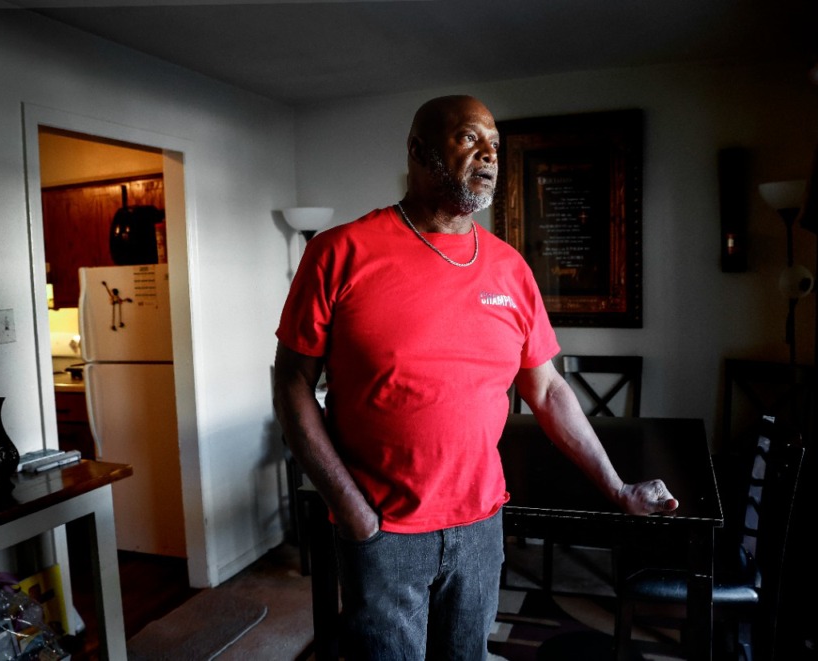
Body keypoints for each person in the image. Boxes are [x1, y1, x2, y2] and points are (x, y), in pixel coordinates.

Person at [273, 94, 678, 660]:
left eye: (494, 143)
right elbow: (291, 383)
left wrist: (616, 487)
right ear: (418, 150)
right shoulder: (339, 252)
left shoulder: (511, 268)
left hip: (482, 528)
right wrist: (354, 511)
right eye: (469, 138)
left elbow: (549, 389)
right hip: (383, 530)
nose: (489, 153)